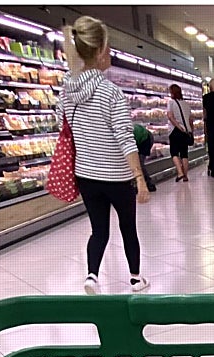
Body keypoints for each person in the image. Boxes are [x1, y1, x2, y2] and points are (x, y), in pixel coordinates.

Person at [60, 15, 151, 295]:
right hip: (116, 177)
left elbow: (65, 130)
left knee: (98, 230)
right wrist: (140, 177)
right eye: (108, 48)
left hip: (86, 175)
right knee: (128, 230)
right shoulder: (111, 92)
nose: (109, 53)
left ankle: (91, 276)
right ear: (99, 52)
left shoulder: (66, 91)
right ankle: (135, 279)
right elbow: (125, 138)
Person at [166, 84, 192, 182]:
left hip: (175, 131)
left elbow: (170, 116)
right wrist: (191, 131)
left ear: (172, 92)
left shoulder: (171, 102)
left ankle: (180, 173)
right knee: (184, 154)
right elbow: (190, 120)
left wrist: (178, 126)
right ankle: (185, 176)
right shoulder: (186, 104)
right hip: (186, 131)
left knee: (174, 153)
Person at [133, 123, 157, 193]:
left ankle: (149, 184)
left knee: (139, 163)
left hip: (146, 139)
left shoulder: (125, 134)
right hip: (140, 139)